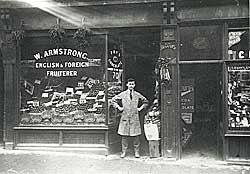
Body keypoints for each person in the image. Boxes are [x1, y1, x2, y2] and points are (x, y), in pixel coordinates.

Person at [111, 78, 148, 158]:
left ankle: (136, 152)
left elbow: (146, 101)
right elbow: (113, 100)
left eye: (132, 84)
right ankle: (123, 152)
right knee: (124, 136)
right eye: (130, 84)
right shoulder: (123, 94)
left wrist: (140, 108)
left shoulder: (137, 95)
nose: (131, 86)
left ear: (134, 85)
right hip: (125, 117)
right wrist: (119, 108)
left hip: (134, 117)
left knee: (136, 136)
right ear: (127, 85)